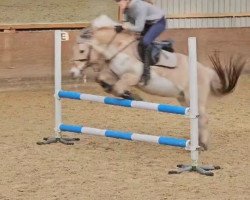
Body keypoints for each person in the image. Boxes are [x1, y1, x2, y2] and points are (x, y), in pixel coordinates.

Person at [114, 0, 166, 85]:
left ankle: (146, 74)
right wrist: (122, 27)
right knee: (137, 42)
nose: (118, 3)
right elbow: (130, 23)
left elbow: (139, 28)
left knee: (145, 42)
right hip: (147, 23)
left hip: (158, 22)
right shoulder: (126, 9)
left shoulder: (139, 6)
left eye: (120, 1)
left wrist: (124, 27)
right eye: (117, 2)